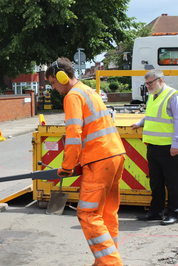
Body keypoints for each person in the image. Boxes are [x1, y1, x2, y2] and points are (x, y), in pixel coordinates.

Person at [46, 57, 126, 266]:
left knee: (88, 214)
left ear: (62, 77)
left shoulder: (72, 96)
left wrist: (67, 166)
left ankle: (111, 264)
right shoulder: (88, 90)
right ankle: (105, 260)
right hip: (115, 155)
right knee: (107, 212)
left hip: (99, 160)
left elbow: (74, 133)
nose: (53, 88)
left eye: (53, 83)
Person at [131, 69, 178, 226]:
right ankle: (156, 212)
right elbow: (150, 114)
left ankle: (174, 214)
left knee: (173, 183)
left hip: (170, 148)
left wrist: (176, 144)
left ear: (160, 81)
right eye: (146, 83)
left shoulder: (173, 96)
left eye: (151, 82)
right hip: (154, 146)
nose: (148, 86)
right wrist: (140, 123)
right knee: (156, 182)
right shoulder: (152, 96)